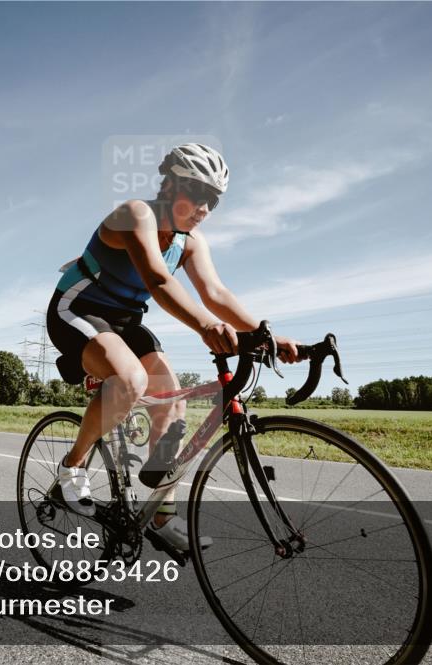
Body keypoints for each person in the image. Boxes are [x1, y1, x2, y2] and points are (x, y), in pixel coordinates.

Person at [46, 143, 302, 552]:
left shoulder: (191, 242)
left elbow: (215, 293)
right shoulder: (136, 215)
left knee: (174, 400)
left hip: (125, 320)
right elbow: (158, 281)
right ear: (168, 185)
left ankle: (162, 516)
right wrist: (205, 326)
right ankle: (71, 469)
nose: (204, 207)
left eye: (213, 200)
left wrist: (269, 335)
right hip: (77, 308)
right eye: (197, 193)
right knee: (129, 380)